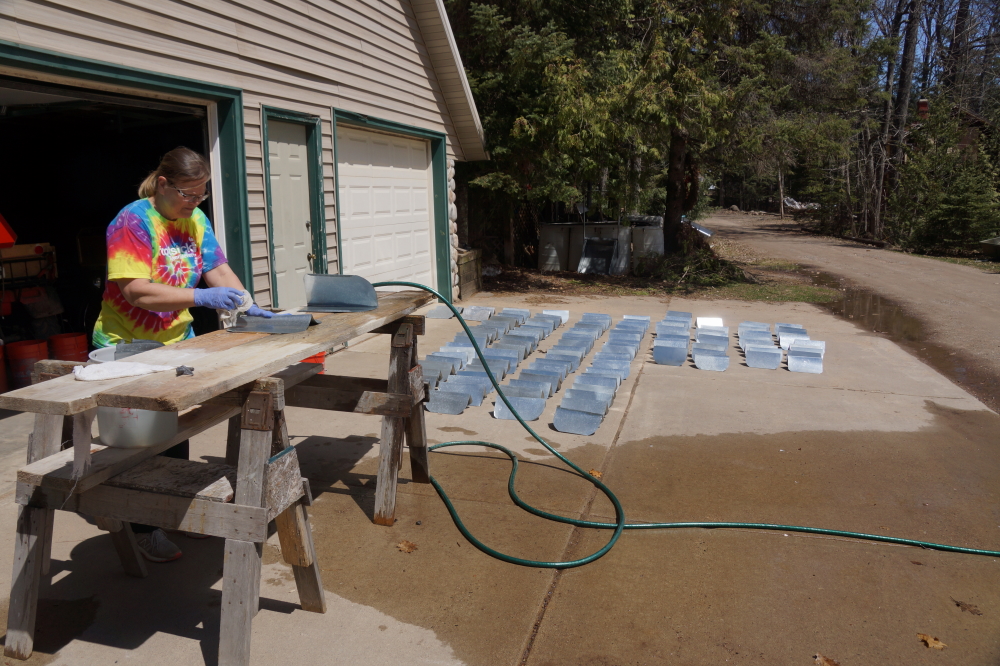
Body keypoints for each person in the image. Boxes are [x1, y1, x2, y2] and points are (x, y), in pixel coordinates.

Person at [92, 146, 272, 562]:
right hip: (128, 345)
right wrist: (202, 295)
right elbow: (134, 290)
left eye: (201, 195)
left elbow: (219, 270)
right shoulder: (132, 220)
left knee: (172, 433)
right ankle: (141, 526)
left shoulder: (195, 218)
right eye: (187, 194)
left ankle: (171, 512)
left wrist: (247, 302)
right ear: (163, 184)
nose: (193, 202)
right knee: (138, 441)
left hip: (177, 341)